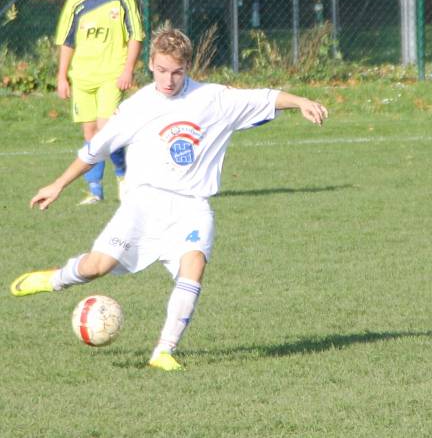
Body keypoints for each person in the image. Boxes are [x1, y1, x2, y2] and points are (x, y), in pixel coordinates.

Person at [10, 27, 329, 371]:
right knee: (96, 267)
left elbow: (264, 97)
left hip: (193, 205)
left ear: (187, 67)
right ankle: (54, 279)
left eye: (176, 72)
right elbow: (95, 150)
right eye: (161, 71)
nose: (168, 80)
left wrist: (301, 102)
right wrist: (58, 184)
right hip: (143, 204)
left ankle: (163, 351)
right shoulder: (137, 107)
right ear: (150, 65)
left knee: (193, 267)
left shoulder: (212, 99)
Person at [55, 0, 144, 205]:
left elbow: (136, 36)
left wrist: (128, 69)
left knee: (107, 131)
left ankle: (123, 177)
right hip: (83, 78)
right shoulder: (76, 1)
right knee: (90, 135)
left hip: (111, 75)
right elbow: (67, 41)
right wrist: (62, 76)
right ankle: (94, 190)